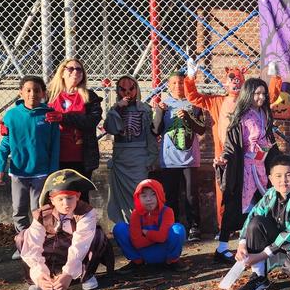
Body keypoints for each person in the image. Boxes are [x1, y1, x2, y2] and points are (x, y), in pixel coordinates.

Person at [230, 154, 290, 290]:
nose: (283, 180)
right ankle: (259, 277)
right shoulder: (270, 194)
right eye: (278, 176)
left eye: (288, 175)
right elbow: (253, 215)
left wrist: (261, 255)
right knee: (256, 222)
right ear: (271, 179)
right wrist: (242, 243)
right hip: (277, 242)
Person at [16, 169, 113, 290]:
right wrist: (39, 273)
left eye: (70, 198)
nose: (66, 204)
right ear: (52, 200)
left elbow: (81, 243)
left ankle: (86, 275)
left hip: (76, 251)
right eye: (60, 199)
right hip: (52, 251)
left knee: (98, 236)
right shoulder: (42, 214)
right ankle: (40, 280)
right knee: (23, 237)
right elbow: (33, 243)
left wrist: (68, 273)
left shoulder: (86, 212)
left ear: (77, 196)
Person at [0, 75, 61, 259]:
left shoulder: (50, 115)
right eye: (28, 90)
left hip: (42, 173)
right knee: (18, 210)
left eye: (37, 90)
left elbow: (55, 146)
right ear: (21, 93)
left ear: (43, 93)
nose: (32, 94)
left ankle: (40, 245)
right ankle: (23, 244)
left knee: (39, 211)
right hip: (18, 172)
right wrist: (0, 167)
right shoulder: (11, 116)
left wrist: (53, 173)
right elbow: (5, 143)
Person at [183, 59, 245, 233]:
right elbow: (193, 97)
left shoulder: (248, 103)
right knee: (222, 188)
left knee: (244, 188)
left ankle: (243, 225)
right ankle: (223, 227)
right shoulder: (216, 101)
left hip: (244, 152)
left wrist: (275, 77)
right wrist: (190, 77)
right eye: (232, 79)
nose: (235, 82)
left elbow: (268, 99)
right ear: (226, 82)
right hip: (223, 152)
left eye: (239, 79)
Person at [218, 77, 276, 260]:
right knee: (235, 206)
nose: (261, 97)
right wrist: (225, 158)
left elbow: (269, 141)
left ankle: (259, 244)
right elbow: (231, 144)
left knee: (264, 205)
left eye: (263, 94)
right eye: (257, 93)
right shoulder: (240, 116)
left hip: (261, 167)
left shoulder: (265, 114)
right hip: (243, 169)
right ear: (248, 94)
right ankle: (222, 246)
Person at [152, 71, 206, 241]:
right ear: (168, 86)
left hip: (190, 159)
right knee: (170, 195)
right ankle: (172, 227)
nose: (178, 86)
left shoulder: (194, 103)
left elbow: (201, 129)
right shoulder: (164, 104)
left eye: (181, 82)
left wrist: (188, 117)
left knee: (191, 195)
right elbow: (155, 130)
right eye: (174, 83)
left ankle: (194, 227)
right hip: (169, 160)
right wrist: (159, 111)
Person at [46, 58, 103, 200]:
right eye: (70, 68)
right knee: (56, 196)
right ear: (62, 73)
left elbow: (92, 120)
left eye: (79, 69)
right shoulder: (49, 95)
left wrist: (63, 117)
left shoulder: (89, 96)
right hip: (55, 155)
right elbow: (32, 109)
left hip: (81, 157)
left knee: (80, 197)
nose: (75, 72)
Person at [105, 76, 158, 224]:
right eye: (123, 89)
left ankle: (143, 223)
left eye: (131, 89)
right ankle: (123, 224)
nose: (127, 92)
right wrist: (117, 108)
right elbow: (110, 128)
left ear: (137, 89)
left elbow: (151, 135)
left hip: (139, 159)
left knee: (140, 192)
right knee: (118, 196)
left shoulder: (145, 109)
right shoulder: (115, 109)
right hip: (120, 159)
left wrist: (153, 156)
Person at [112, 178, 186, 271]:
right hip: (142, 254)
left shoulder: (167, 211)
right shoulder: (136, 213)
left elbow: (162, 237)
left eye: (153, 194)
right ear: (138, 198)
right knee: (119, 228)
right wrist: (157, 236)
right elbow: (137, 243)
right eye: (144, 195)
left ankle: (173, 260)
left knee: (178, 229)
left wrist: (146, 233)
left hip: (164, 251)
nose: (149, 199)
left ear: (160, 195)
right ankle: (137, 262)